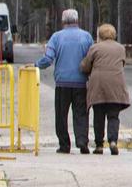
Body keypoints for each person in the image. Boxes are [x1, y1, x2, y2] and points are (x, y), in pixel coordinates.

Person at [37, 9, 94, 154]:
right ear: (77, 20)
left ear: (63, 21)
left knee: (61, 115)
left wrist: (36, 65)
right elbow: (92, 58)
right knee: (81, 113)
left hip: (62, 83)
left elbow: (48, 59)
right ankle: (82, 141)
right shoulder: (86, 37)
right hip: (81, 82)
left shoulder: (56, 37)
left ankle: (64, 144)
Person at [84, 23, 131, 155]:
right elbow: (122, 63)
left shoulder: (95, 48)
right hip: (116, 85)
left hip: (98, 85)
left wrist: (83, 68)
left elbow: (86, 66)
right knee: (113, 116)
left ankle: (99, 145)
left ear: (100, 35)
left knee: (98, 116)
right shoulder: (121, 48)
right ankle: (113, 141)